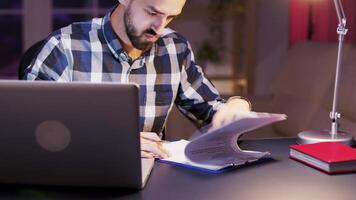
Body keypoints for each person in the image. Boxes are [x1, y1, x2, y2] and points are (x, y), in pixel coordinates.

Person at [24, 0, 251, 159]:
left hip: (151, 175)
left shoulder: (174, 47)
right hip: (80, 173)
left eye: (170, 17)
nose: (160, 28)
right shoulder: (64, 47)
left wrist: (235, 108)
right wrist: (115, 143)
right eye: (152, 13)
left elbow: (211, 112)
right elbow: (32, 131)